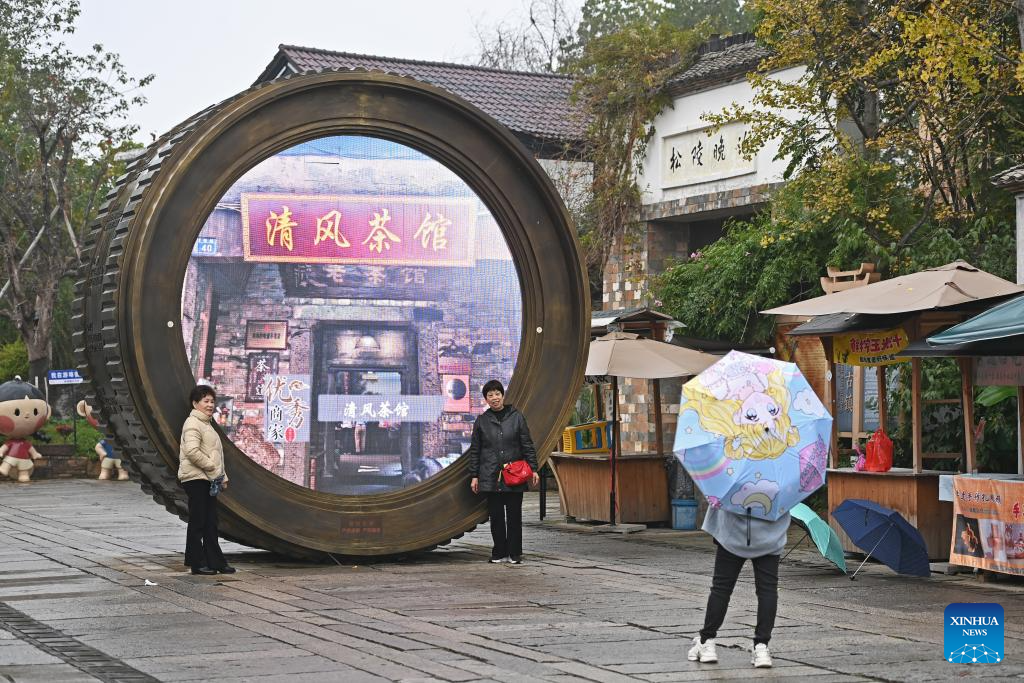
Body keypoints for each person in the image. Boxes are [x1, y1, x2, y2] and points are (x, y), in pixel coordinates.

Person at [688, 505, 790, 669]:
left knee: (721, 588)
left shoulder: (732, 478)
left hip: (732, 532)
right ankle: (761, 647)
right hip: (770, 533)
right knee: (767, 590)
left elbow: (717, 497)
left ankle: (707, 642)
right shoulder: (783, 480)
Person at [466, 379, 539, 564]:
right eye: (490, 395)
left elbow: (527, 444)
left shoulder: (517, 417)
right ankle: (499, 552)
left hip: (513, 474)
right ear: (486, 399)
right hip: (490, 475)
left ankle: (515, 553)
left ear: (503, 395)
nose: (494, 398)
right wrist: (474, 475)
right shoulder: (482, 421)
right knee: (496, 516)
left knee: (514, 516)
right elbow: (476, 450)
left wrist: (534, 468)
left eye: (497, 394)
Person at [179, 384, 235, 575]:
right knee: (198, 522)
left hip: (208, 478)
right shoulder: (193, 423)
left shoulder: (207, 424)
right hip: (195, 478)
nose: (210, 405)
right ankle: (197, 563)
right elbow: (192, 452)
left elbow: (216, 454)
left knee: (211, 522)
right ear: (195, 403)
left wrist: (222, 477)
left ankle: (215, 562)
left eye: (212, 401)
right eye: (206, 401)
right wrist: (212, 468)